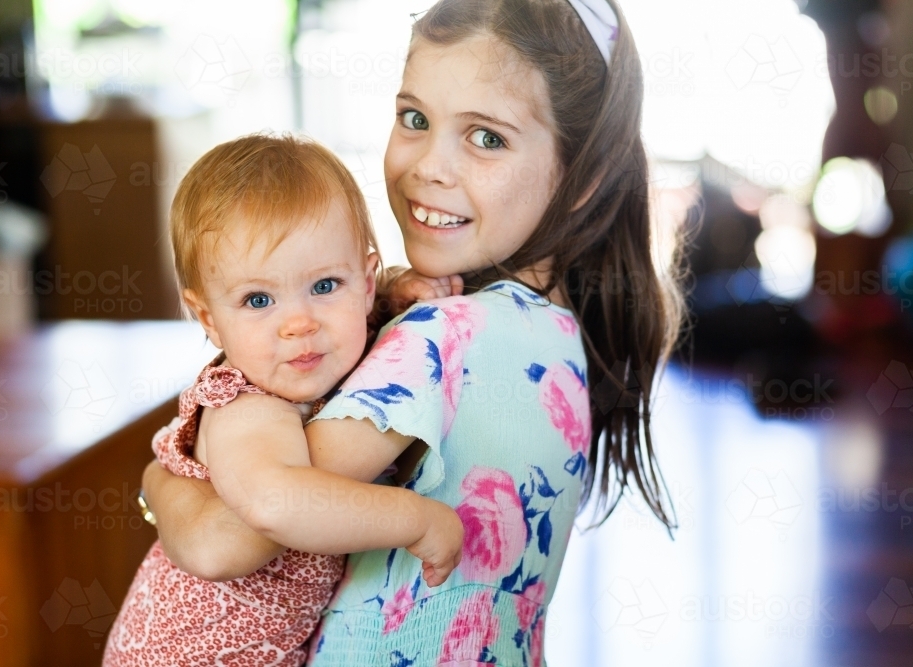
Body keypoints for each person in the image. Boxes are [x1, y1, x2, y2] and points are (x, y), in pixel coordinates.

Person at [141, 0, 686, 664]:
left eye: (487, 137)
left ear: (584, 176)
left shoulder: (440, 338)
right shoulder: (557, 335)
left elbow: (223, 534)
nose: (430, 165)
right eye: (415, 119)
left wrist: (157, 480)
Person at [103, 134, 464, 667]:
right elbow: (275, 503)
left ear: (365, 285)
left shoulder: (307, 359)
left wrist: (393, 292)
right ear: (208, 319)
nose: (298, 324)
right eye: (258, 299)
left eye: (324, 286)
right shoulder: (245, 404)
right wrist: (416, 519)